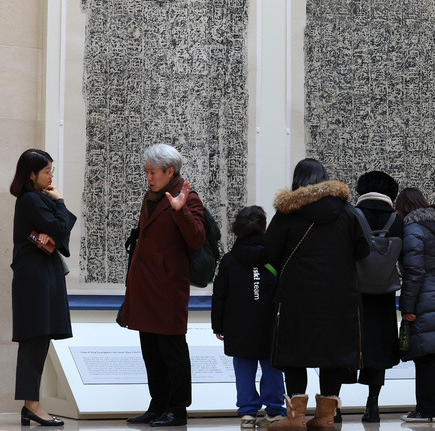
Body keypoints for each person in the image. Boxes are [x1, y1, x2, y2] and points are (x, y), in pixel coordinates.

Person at [265, 158, 370, 431]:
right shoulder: (347, 212)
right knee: (333, 352)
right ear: (324, 179)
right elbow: (363, 250)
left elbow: (269, 253)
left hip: (296, 297)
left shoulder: (286, 213)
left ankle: (296, 418)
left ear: (297, 180)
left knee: (293, 351)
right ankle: (325, 418)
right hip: (340, 296)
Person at [121, 144, 205, 427]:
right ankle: (157, 404)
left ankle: (177, 408)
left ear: (170, 172)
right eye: (147, 172)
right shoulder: (151, 195)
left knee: (172, 350)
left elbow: (197, 238)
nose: (149, 177)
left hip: (168, 288)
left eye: (152, 172)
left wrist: (181, 212)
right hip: (145, 285)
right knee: (151, 351)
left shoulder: (188, 197)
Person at [10, 148, 77, 428]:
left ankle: (32, 405)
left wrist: (58, 221)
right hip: (35, 278)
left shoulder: (37, 199)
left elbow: (59, 232)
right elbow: (60, 229)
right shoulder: (30, 201)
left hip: (42, 275)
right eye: (47, 171)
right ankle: (32, 405)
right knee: (34, 340)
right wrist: (60, 202)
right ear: (32, 175)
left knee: (39, 339)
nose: (51, 176)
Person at [211, 205, 285, 430]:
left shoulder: (229, 261)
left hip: (237, 325)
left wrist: (218, 325)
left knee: (243, 369)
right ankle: (275, 411)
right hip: (270, 323)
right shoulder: (275, 258)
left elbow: (220, 296)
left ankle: (247, 414)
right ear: (264, 228)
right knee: (272, 367)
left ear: (237, 230)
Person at [395, 187, 435, 424]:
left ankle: (426, 410)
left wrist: (407, 305)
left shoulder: (413, 230)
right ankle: (432, 409)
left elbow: (414, 271)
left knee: (426, 356)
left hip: (424, 299)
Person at [354, 170, 404, 422]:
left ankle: (334, 406)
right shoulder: (397, 222)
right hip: (383, 295)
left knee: (347, 346)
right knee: (378, 348)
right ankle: (372, 404)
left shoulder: (351, 216)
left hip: (352, 295)